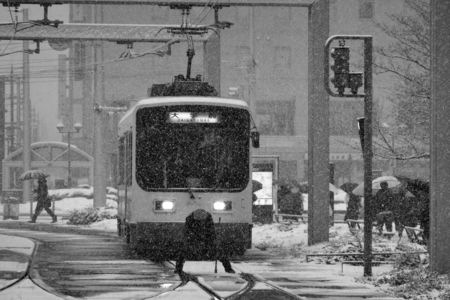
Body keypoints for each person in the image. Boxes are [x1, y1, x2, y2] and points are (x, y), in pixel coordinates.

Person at [175, 209, 234, 274]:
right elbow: (187, 233)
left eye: (202, 220)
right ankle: (178, 269)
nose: (201, 222)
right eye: (199, 221)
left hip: (206, 241)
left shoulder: (208, 220)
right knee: (183, 252)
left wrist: (212, 241)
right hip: (193, 241)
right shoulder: (190, 220)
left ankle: (228, 268)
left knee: (220, 251)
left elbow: (212, 233)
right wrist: (192, 241)